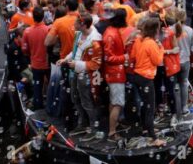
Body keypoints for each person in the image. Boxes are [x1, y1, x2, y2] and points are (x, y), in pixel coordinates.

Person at [58, 12, 101, 140]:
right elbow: (75, 51)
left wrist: (77, 64)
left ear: (83, 25)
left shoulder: (96, 40)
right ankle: (82, 123)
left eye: (76, 22)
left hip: (86, 75)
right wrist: (66, 59)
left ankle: (94, 128)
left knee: (87, 101)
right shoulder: (78, 34)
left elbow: (96, 64)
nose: (74, 24)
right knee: (75, 98)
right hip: (75, 72)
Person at [129, 17, 166, 146]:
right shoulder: (151, 43)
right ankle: (154, 138)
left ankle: (145, 128)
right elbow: (157, 61)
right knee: (150, 107)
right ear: (155, 30)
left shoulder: (138, 40)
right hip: (146, 78)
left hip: (137, 76)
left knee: (145, 105)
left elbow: (133, 57)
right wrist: (160, 49)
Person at [102, 8, 127, 141]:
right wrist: (124, 57)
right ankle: (112, 133)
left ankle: (114, 124)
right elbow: (109, 58)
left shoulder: (110, 31)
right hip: (115, 74)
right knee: (118, 103)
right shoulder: (111, 34)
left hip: (114, 73)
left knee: (113, 101)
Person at [21, 7, 50, 111]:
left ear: (33, 17)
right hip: (47, 63)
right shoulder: (48, 30)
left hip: (36, 64)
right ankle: (51, 106)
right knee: (50, 84)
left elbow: (24, 49)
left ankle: (38, 106)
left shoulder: (27, 31)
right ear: (43, 16)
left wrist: (31, 54)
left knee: (37, 85)